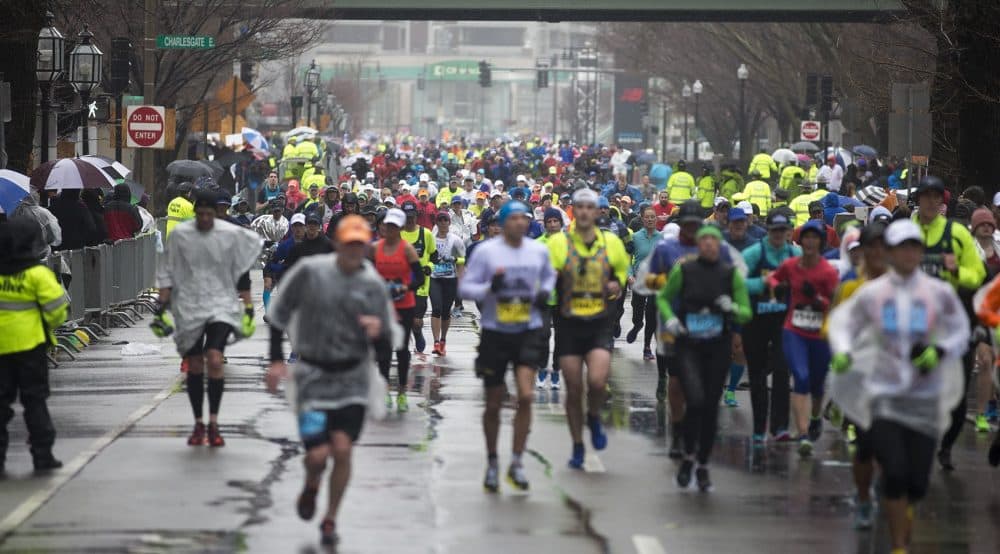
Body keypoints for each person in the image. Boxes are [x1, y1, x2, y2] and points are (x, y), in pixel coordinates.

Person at [828, 219, 969, 553]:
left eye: (914, 246)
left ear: (921, 252)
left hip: (924, 398)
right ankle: (898, 546)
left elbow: (959, 330)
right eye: (901, 247)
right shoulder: (873, 294)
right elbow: (841, 323)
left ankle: (903, 522)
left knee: (917, 482)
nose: (908, 253)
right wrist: (845, 351)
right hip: (884, 397)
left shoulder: (938, 292)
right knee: (893, 471)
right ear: (890, 253)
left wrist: (940, 350)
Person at [266, 215, 397, 546]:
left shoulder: (371, 284)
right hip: (313, 378)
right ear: (336, 244)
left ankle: (330, 517)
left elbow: (386, 341)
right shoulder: (311, 274)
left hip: (353, 379)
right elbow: (278, 315)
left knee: (342, 450)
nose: (353, 251)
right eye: (348, 244)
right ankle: (312, 484)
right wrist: (276, 361)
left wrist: (377, 332)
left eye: (359, 245)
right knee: (317, 456)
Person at [152, 190, 262, 447]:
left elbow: (242, 274)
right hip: (190, 306)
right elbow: (168, 272)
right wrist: (161, 307)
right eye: (199, 214)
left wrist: (247, 309)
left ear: (216, 214)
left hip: (221, 306)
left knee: (214, 358)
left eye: (208, 215)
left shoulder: (228, 237)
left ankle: (214, 423)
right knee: (194, 363)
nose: (204, 219)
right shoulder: (182, 236)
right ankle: (198, 422)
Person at [459, 200, 556, 491]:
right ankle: (492, 461)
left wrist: (545, 292)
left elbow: (550, 276)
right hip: (495, 332)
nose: (520, 223)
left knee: (525, 396)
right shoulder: (487, 252)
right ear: (502, 223)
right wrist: (491, 289)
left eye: (525, 219)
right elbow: (465, 288)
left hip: (527, 330)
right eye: (514, 218)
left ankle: (516, 461)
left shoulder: (538, 250)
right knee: (493, 402)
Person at [657, 224, 751, 490]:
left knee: (710, 406)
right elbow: (664, 299)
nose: (709, 244)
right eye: (704, 239)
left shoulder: (730, 274)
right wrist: (672, 320)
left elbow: (746, 312)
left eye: (713, 240)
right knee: (695, 400)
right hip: (689, 344)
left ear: (720, 246)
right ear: (698, 245)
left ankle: (703, 463)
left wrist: (732, 308)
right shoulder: (684, 270)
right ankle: (687, 456)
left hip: (718, 345)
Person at [546, 188, 630, 469]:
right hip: (568, 323)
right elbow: (547, 275)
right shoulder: (558, 243)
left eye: (588, 207)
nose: (583, 212)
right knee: (573, 388)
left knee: (596, 382)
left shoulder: (611, 242)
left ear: (596, 212)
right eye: (578, 207)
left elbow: (621, 273)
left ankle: (593, 416)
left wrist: (616, 284)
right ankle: (578, 445)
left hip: (599, 323)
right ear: (573, 211)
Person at [910, 176, 985, 471]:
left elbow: (976, 274)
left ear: (943, 200)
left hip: (953, 323)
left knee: (957, 397)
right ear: (918, 200)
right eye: (925, 196)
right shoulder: (906, 232)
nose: (931, 202)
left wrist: (955, 272)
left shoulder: (957, 233)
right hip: (916, 323)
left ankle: (946, 445)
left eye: (936, 197)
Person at [765, 219, 839, 457]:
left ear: (821, 242)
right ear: (800, 240)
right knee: (801, 377)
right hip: (794, 330)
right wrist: (778, 287)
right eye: (806, 237)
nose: (809, 241)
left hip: (820, 333)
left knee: (817, 385)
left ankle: (816, 416)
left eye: (814, 238)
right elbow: (774, 278)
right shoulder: (791, 265)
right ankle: (804, 433)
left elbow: (836, 304)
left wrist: (818, 300)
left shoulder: (827, 271)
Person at [0, 218, 68, 473]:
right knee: (35, 401)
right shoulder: (37, 274)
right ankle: (42, 455)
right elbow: (58, 309)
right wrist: (45, 324)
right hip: (31, 345)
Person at [741, 211, 800, 444]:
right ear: (768, 231)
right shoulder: (754, 253)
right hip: (756, 320)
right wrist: (762, 283)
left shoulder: (794, 254)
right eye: (774, 231)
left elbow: (806, 277)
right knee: (756, 374)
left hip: (783, 321)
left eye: (782, 231)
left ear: (788, 232)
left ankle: (780, 427)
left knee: (782, 372)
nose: (778, 235)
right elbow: (738, 282)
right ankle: (758, 427)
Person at [371, 208, 424, 412]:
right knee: (383, 351)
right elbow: (366, 273)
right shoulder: (376, 248)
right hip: (382, 306)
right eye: (386, 225)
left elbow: (419, 278)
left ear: (400, 228)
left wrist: (405, 287)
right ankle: (385, 391)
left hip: (404, 305)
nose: (389, 229)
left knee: (402, 351)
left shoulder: (407, 249)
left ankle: (401, 392)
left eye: (393, 226)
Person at [399, 201, 437, 354]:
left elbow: (434, 256)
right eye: (407, 217)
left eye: (413, 216)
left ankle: (417, 333)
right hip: (401, 282)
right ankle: (404, 347)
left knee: (416, 321)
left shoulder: (426, 233)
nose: (410, 220)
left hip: (421, 283)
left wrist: (429, 267)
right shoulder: (398, 234)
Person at [626, 205, 662, 360]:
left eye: (652, 217)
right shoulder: (635, 237)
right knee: (638, 311)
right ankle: (636, 325)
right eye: (647, 217)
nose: (650, 219)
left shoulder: (662, 238)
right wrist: (629, 275)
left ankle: (647, 347)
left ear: (656, 219)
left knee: (652, 314)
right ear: (642, 219)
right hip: (638, 280)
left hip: (655, 280)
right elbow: (627, 258)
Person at [535, 208, 566, 389]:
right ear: (545, 224)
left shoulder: (569, 242)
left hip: (563, 298)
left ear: (561, 223)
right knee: (543, 335)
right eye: (549, 222)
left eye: (556, 221)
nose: (553, 225)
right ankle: (541, 368)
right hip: (544, 298)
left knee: (562, 337)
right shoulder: (538, 244)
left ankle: (555, 370)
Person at [429, 210, 466, 356]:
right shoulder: (431, 238)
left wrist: (456, 263)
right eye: (440, 220)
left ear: (449, 223)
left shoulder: (455, 240)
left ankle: (443, 340)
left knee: (445, 311)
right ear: (436, 223)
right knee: (436, 308)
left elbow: (463, 259)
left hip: (450, 279)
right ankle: (436, 341)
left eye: (446, 220)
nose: (443, 223)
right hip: (434, 278)